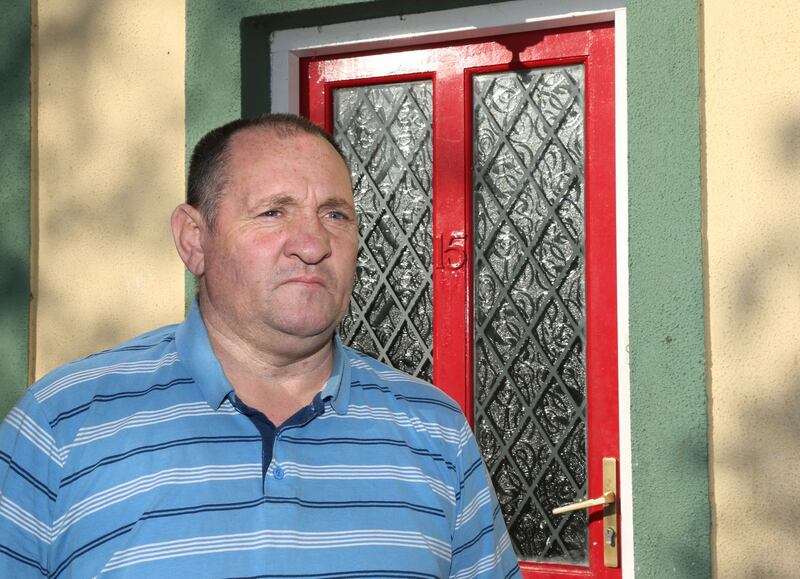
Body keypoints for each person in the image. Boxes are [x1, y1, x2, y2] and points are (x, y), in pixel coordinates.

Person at [0, 114, 521, 578]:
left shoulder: (435, 432)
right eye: (274, 212)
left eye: (335, 215)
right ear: (194, 239)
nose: (313, 244)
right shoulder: (63, 425)